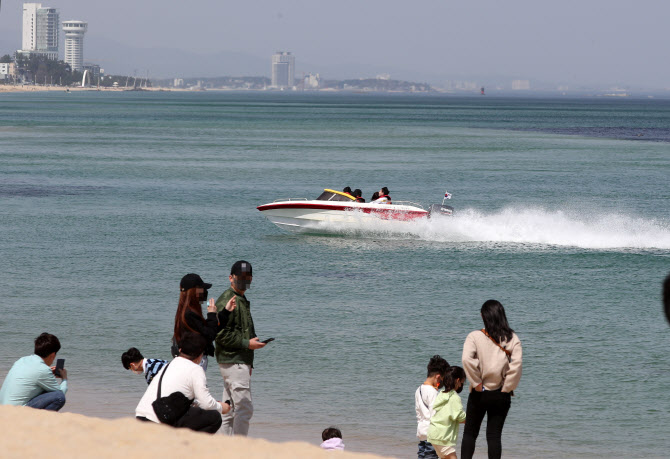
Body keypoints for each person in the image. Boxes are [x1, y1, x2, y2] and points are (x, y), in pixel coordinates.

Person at [461, 300, 522, 459]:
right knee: (494, 436)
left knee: (470, 434)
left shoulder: (474, 336)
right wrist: (507, 387)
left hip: (479, 392)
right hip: (501, 393)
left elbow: (467, 360)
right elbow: (516, 365)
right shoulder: (512, 338)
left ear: (483, 316)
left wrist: (477, 382)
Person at [135, 332, 231, 433]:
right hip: (158, 420)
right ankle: (187, 446)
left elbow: (189, 399)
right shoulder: (196, 369)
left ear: (180, 349)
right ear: (200, 355)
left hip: (141, 416)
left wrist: (214, 403)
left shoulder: (169, 365)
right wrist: (221, 407)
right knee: (214, 418)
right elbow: (206, 404)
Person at [214, 260, 267, 436]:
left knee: (228, 410)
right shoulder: (228, 300)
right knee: (244, 410)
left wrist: (248, 361)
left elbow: (237, 331)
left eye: (248, 277)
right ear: (231, 278)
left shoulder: (240, 298)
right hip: (234, 362)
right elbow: (220, 334)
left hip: (236, 362)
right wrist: (247, 344)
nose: (245, 280)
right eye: (241, 277)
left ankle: (223, 450)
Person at [0, 333, 68, 411]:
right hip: (15, 412)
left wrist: (47, 372)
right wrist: (64, 379)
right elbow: (60, 394)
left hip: (2, 408)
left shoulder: (22, 360)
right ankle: (39, 421)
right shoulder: (43, 370)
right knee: (59, 397)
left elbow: (33, 374)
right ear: (52, 355)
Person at [172, 273, 223, 372]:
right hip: (194, 361)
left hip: (191, 360)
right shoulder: (190, 314)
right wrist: (211, 314)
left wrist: (225, 312)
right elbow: (210, 334)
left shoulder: (184, 312)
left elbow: (207, 329)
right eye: (202, 289)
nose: (205, 292)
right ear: (194, 291)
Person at [427, 366, 467, 459]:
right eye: (461, 382)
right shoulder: (454, 398)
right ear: (457, 380)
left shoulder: (441, 394)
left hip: (433, 434)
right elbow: (461, 417)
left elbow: (449, 415)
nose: (461, 385)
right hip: (443, 437)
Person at [416, 355, 449, 459]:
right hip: (432, 434)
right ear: (438, 377)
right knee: (431, 456)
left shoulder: (419, 390)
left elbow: (419, 414)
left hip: (422, 432)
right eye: (443, 379)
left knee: (422, 456)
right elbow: (435, 415)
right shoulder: (433, 392)